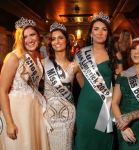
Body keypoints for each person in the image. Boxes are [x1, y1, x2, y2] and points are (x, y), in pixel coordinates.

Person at [75, 11, 122, 150]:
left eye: (104, 29)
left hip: (106, 106)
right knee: (84, 140)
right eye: (96, 29)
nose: (100, 32)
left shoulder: (115, 53)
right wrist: (90, 90)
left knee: (103, 141)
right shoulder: (82, 54)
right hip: (86, 106)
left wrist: (112, 102)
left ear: (108, 33)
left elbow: (120, 82)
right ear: (90, 33)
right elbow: (78, 76)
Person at [0, 17, 49, 150]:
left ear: (38, 36)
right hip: (17, 111)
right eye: (25, 37)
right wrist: (9, 122)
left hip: (33, 109)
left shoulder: (38, 56)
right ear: (20, 39)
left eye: (32, 35)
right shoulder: (14, 57)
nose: (29, 40)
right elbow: (2, 90)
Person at [43, 22, 83, 150]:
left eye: (60, 37)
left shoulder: (75, 65)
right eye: (53, 39)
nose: (57, 41)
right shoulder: (43, 63)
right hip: (48, 116)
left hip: (68, 116)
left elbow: (85, 89)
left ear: (67, 40)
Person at [112, 37, 139, 150]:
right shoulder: (123, 75)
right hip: (126, 129)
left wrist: (131, 116)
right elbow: (114, 103)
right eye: (134, 49)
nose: (136, 52)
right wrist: (123, 127)